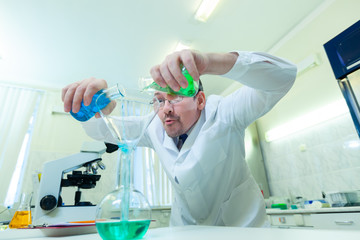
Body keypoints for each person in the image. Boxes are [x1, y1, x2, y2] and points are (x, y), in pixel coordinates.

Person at [62, 49, 297, 227]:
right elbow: (108, 130)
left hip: (242, 230)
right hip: (185, 231)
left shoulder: (225, 113)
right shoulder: (155, 126)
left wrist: (208, 62)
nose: (165, 108)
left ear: (201, 100)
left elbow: (282, 78)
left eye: (175, 97)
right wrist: (94, 105)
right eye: (159, 99)